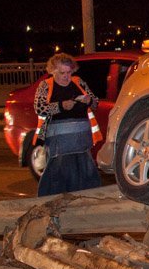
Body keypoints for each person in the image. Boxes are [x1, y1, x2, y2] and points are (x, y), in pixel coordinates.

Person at [34, 53, 102, 196]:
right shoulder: (46, 85)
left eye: (69, 72)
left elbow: (95, 103)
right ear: (52, 71)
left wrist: (89, 100)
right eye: (62, 73)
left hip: (81, 139)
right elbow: (39, 108)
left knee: (84, 169)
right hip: (58, 140)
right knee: (58, 170)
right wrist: (61, 106)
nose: (66, 76)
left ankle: (86, 198)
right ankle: (52, 200)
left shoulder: (78, 82)